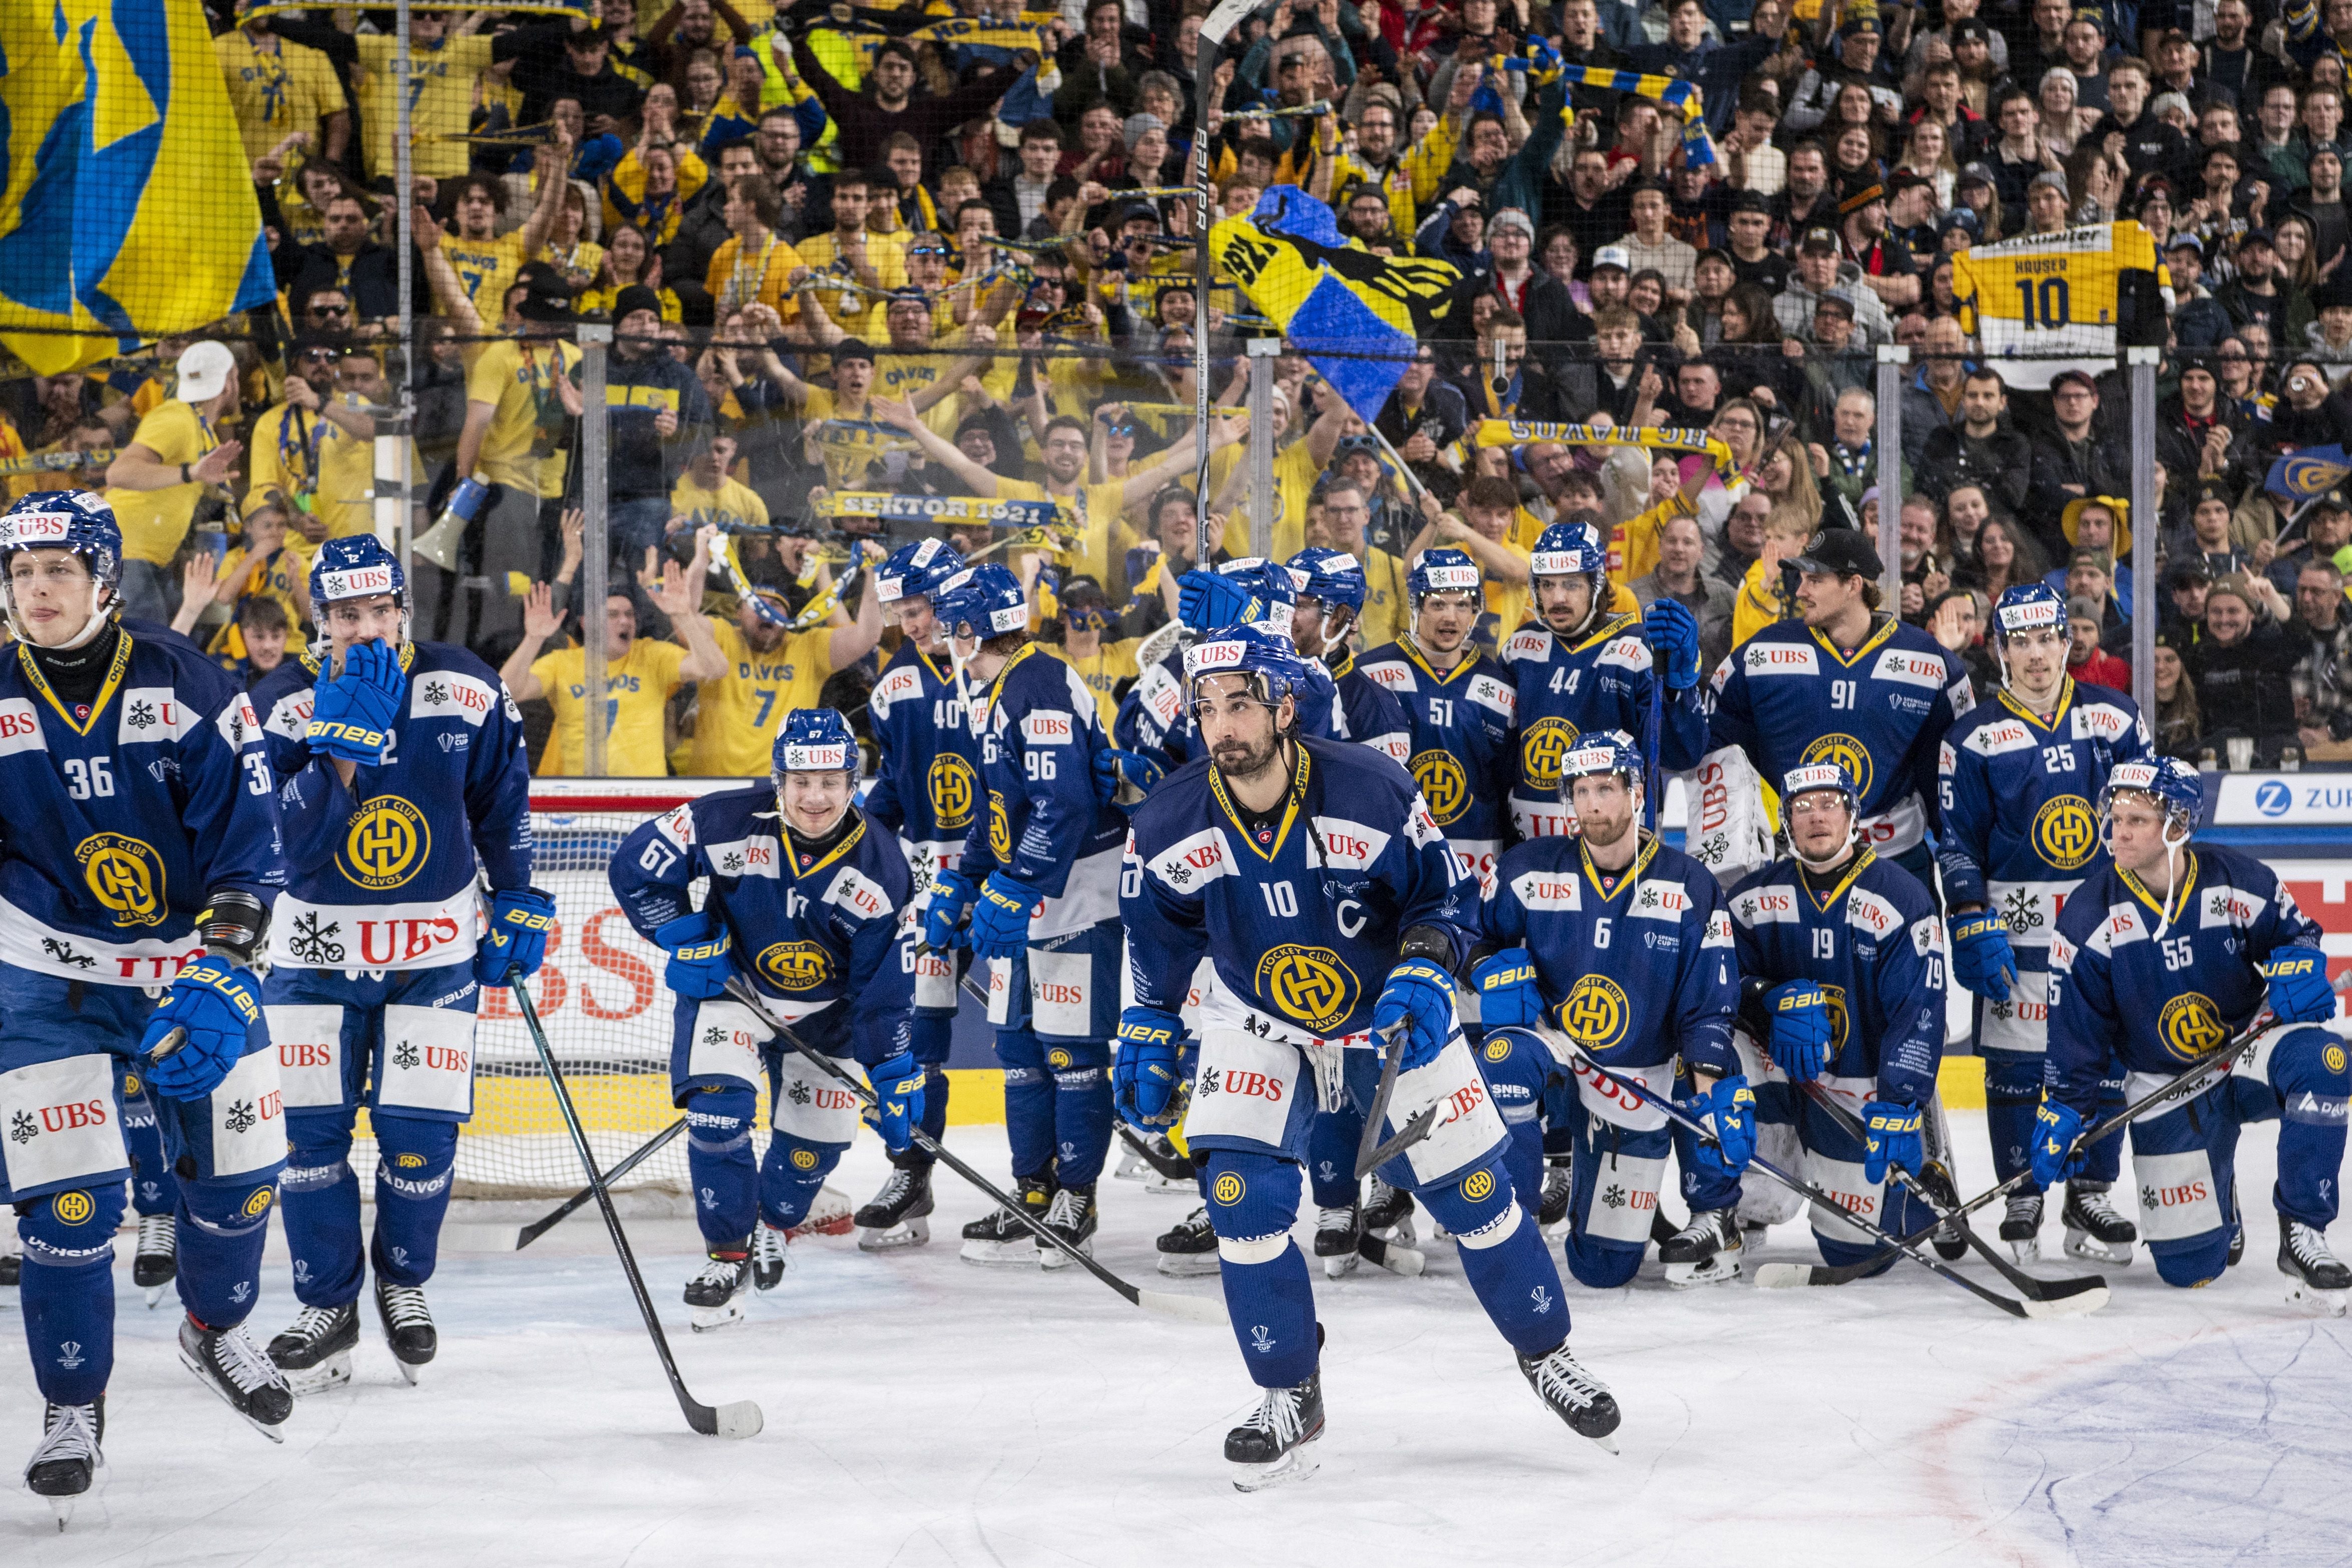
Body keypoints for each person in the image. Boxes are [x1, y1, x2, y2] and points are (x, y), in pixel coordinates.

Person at [1116, 625, 1620, 1488]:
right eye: (1206, 708)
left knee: (1473, 1195)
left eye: (1239, 703)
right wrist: (1151, 1020)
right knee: (1239, 1194)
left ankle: (1546, 1351)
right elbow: (1158, 930)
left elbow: (1446, 897)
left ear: (1282, 705)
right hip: (1256, 1013)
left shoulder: (1370, 788)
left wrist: (1426, 970)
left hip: (1384, 1013)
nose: (1221, 725)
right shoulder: (1168, 817)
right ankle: (1288, 1390)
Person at [0, 492, 289, 1514]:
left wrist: (224, 964)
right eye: (23, 572)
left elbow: (254, 848)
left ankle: (214, 1330)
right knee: (71, 1209)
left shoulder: (191, 685)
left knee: (246, 1178)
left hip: (186, 967)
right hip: (49, 975)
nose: (38, 590)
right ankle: (73, 1407)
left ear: (106, 581)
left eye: (60, 572)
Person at [248, 537, 545, 1390]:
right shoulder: (281, 704)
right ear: (322, 620)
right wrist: (340, 747)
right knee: (309, 1145)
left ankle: (404, 1285)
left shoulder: (465, 685)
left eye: (380, 609)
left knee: (418, 1141)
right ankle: (326, 1304)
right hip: (311, 959)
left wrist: (520, 895)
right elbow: (282, 850)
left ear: (400, 607)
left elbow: (502, 802)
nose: (367, 627)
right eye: (347, 615)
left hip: (433, 953)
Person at [609, 709, 921, 1325]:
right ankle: (726, 1255)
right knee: (717, 1113)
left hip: (828, 1019)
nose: (814, 797)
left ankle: (771, 1223)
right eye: (801, 781)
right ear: (778, 780)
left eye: (831, 782)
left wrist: (890, 1069)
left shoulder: (886, 869)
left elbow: (883, 990)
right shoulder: (722, 819)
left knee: (801, 1170)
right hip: (736, 992)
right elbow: (634, 867)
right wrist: (683, 934)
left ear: (853, 783)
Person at [2042, 757, 2349, 1303]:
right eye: (2115, 819)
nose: (2119, 833)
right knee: (2193, 1269)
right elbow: (2077, 1032)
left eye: (2136, 820)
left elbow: (2297, 936)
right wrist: (2067, 1108)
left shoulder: (2240, 880)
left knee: (2325, 1061)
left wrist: (2300, 962)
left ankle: (2303, 1228)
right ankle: (2218, 1189)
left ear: (2178, 825)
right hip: (2164, 1085)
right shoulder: (2088, 917)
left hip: (2245, 1052)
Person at [1476, 730, 1749, 1288]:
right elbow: (1467, 938)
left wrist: (1711, 1095)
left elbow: (1708, 1008)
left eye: (1605, 787)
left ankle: (1714, 1213)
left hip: (1639, 1078)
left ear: (1636, 792)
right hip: (1561, 1059)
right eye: (1580, 790)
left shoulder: (1689, 884)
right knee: (1503, 1053)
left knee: (1602, 1270)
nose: (1593, 804)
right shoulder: (1528, 870)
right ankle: (1510, 1225)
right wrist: (1485, 970)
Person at [1936, 584, 2148, 1266]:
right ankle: (2022, 1187)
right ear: (1999, 650)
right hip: (2014, 918)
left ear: (2067, 641)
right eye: (2018, 641)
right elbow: (1957, 839)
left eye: (2045, 638)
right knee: (2016, 1064)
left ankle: (2089, 1187)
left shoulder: (2114, 719)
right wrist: (1968, 917)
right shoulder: (1969, 737)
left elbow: (2146, 824)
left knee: (2104, 1058)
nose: (2035, 655)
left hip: (2101, 916)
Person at [922, 565, 1127, 1267]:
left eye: (948, 623)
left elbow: (1063, 803)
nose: (942, 637)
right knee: (1018, 1054)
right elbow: (1002, 806)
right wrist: (967, 881)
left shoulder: (1034, 683)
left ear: (969, 628)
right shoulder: (999, 688)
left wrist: (1013, 886)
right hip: (1032, 890)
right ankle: (1032, 1194)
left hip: (1077, 894)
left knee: (1071, 1057)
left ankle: (1078, 1198)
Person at [1726, 762, 1948, 1270]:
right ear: (1785, 820)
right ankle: (1730, 1206)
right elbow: (1710, 985)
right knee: (1715, 1043)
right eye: (1802, 808)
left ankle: (1928, 1166)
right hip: (1784, 1077)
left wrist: (1900, 1102)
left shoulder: (1901, 897)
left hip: (1859, 1092)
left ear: (1853, 815)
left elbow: (1918, 1013)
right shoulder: (1750, 899)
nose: (1816, 818)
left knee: (1859, 1254)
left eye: (1829, 804)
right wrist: (1766, 997)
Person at [1705, 528, 1976, 885]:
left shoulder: (1928, 663)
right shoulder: (1761, 654)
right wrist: (1675, 690)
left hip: (1894, 862)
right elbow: (1708, 744)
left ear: (1854, 585)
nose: (1801, 591)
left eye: (1815, 580)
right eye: (1801, 579)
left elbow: (1953, 778)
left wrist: (1966, 879)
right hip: (1792, 861)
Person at [858, 540, 979, 1247]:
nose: (912, 623)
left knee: (1047, 1044)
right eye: (900, 612)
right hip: (936, 883)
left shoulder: (1006, 668)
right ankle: (912, 1175)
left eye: (920, 607)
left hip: (1017, 877)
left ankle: (1058, 1185)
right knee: (920, 1038)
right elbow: (899, 790)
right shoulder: (893, 687)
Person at [1500, 520, 1708, 842]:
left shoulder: (1640, 649)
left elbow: (1682, 755)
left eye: (1571, 585)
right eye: (1547, 585)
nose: (1557, 598)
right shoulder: (1520, 647)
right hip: (1532, 842)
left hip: (1617, 840)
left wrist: (1679, 690)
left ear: (1596, 585)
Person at [1357, 549, 1517, 890]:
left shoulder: (1500, 685)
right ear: (1416, 607)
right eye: (1438, 604)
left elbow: (1506, 784)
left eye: (1462, 605)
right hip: (1391, 850)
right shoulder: (1369, 674)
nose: (1451, 617)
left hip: (1476, 859)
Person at [501, 556, 727, 776]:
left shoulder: (652, 655)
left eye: (630, 614)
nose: (625, 621)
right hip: (583, 798)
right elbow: (507, 693)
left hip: (645, 798)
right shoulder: (562, 663)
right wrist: (533, 639)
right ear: (586, 623)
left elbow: (715, 669)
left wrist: (683, 615)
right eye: (613, 615)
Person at [100, 341, 244, 625]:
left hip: (150, 557)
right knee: (147, 651)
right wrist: (190, 473)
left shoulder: (201, 429)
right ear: (229, 384)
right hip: (127, 553)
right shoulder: (176, 417)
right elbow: (118, 474)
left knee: (169, 642)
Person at [1288, 547, 1410, 763]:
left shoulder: (1375, 708)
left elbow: (1380, 795)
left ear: (1335, 616)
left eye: (1300, 606)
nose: (1288, 615)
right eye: (1286, 602)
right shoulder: (1269, 678)